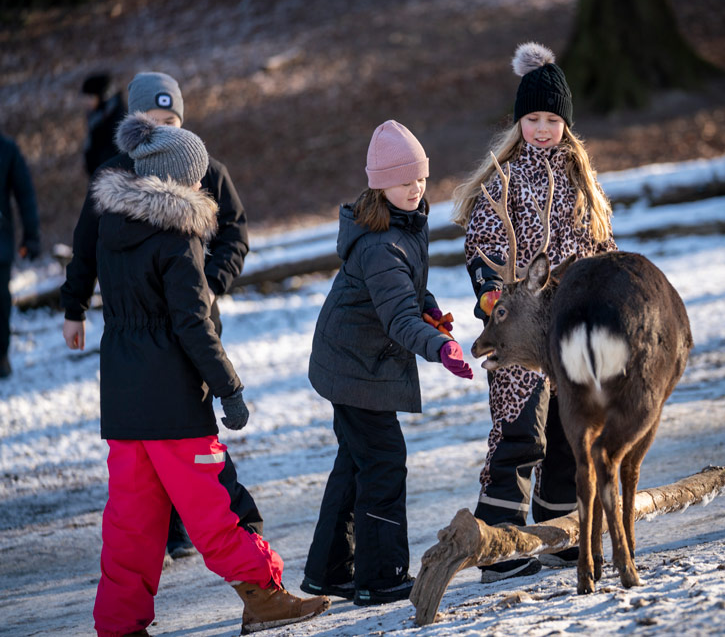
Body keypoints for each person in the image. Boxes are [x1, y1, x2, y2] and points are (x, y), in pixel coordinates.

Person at [69, 112, 329, 636]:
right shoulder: (177, 235)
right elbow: (192, 324)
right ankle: (265, 594)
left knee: (131, 525)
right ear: (172, 177)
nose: (200, 184)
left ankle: (119, 623)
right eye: (194, 175)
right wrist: (229, 387)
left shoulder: (111, 228)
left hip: (122, 402)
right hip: (173, 402)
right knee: (212, 509)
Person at [61, 71, 249, 561]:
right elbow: (85, 246)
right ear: (135, 125)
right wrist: (74, 306)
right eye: (154, 120)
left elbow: (234, 232)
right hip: (142, 326)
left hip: (194, 317)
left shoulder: (202, 168)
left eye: (172, 119)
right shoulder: (115, 180)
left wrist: (208, 281)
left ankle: (201, 523)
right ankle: (176, 529)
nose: (164, 127)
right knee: (156, 432)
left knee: (189, 422)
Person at [450, 42, 617, 583]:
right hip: (520, 333)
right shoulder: (503, 181)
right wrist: (496, 299)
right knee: (521, 433)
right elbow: (483, 248)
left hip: (571, 332)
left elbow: (600, 247)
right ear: (518, 122)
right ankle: (498, 543)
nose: (543, 129)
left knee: (571, 433)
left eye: (552, 120)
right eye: (533, 119)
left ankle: (560, 530)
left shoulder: (583, 184)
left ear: (566, 123)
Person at [300, 120, 474, 606]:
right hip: (356, 368)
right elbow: (397, 317)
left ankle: (328, 571)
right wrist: (437, 346)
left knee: (355, 464)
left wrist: (431, 309)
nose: (416, 188)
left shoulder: (402, 222)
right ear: (380, 185)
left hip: (352, 361)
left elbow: (406, 294)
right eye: (404, 181)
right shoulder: (381, 243)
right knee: (382, 463)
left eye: (419, 178)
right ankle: (381, 577)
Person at [0, 130, 41, 379]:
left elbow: (25, 194)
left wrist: (31, 237)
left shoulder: (7, 150)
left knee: (0, 302)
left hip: (0, 246)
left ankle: (1, 355)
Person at [81, 72, 127, 176]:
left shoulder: (116, 119)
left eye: (90, 97)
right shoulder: (98, 116)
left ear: (102, 96)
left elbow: (113, 152)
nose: (86, 102)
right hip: (101, 175)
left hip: (111, 177)